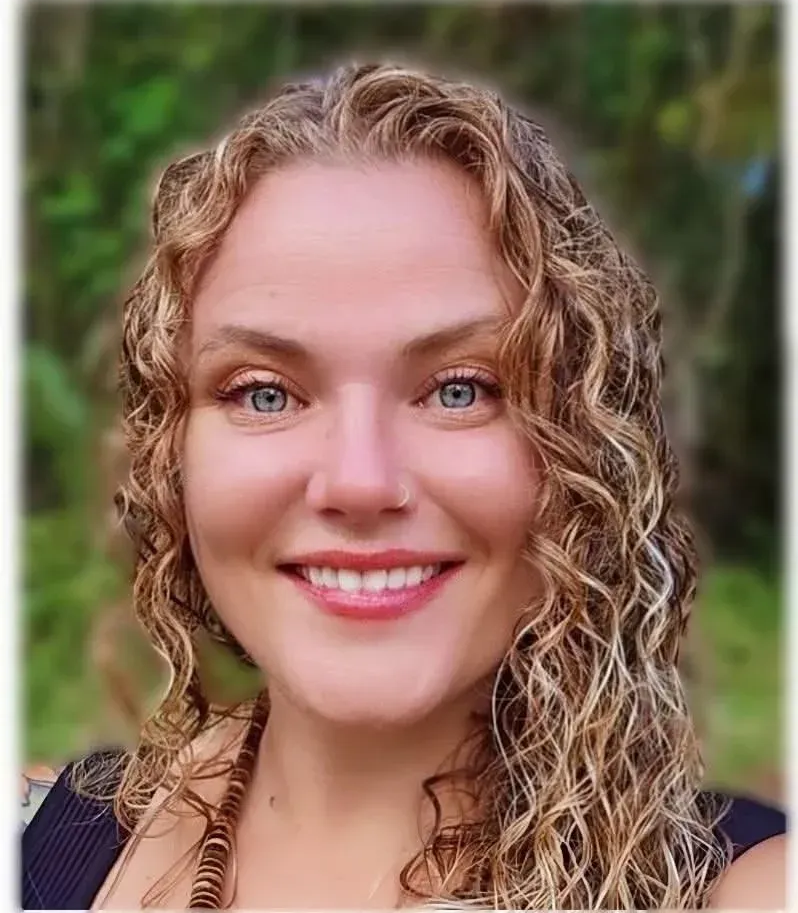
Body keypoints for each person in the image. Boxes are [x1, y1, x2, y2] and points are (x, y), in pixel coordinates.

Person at [22, 62, 786, 910]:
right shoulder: (35, 844)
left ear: (588, 444)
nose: (359, 481)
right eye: (265, 392)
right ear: (172, 456)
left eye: (460, 388)